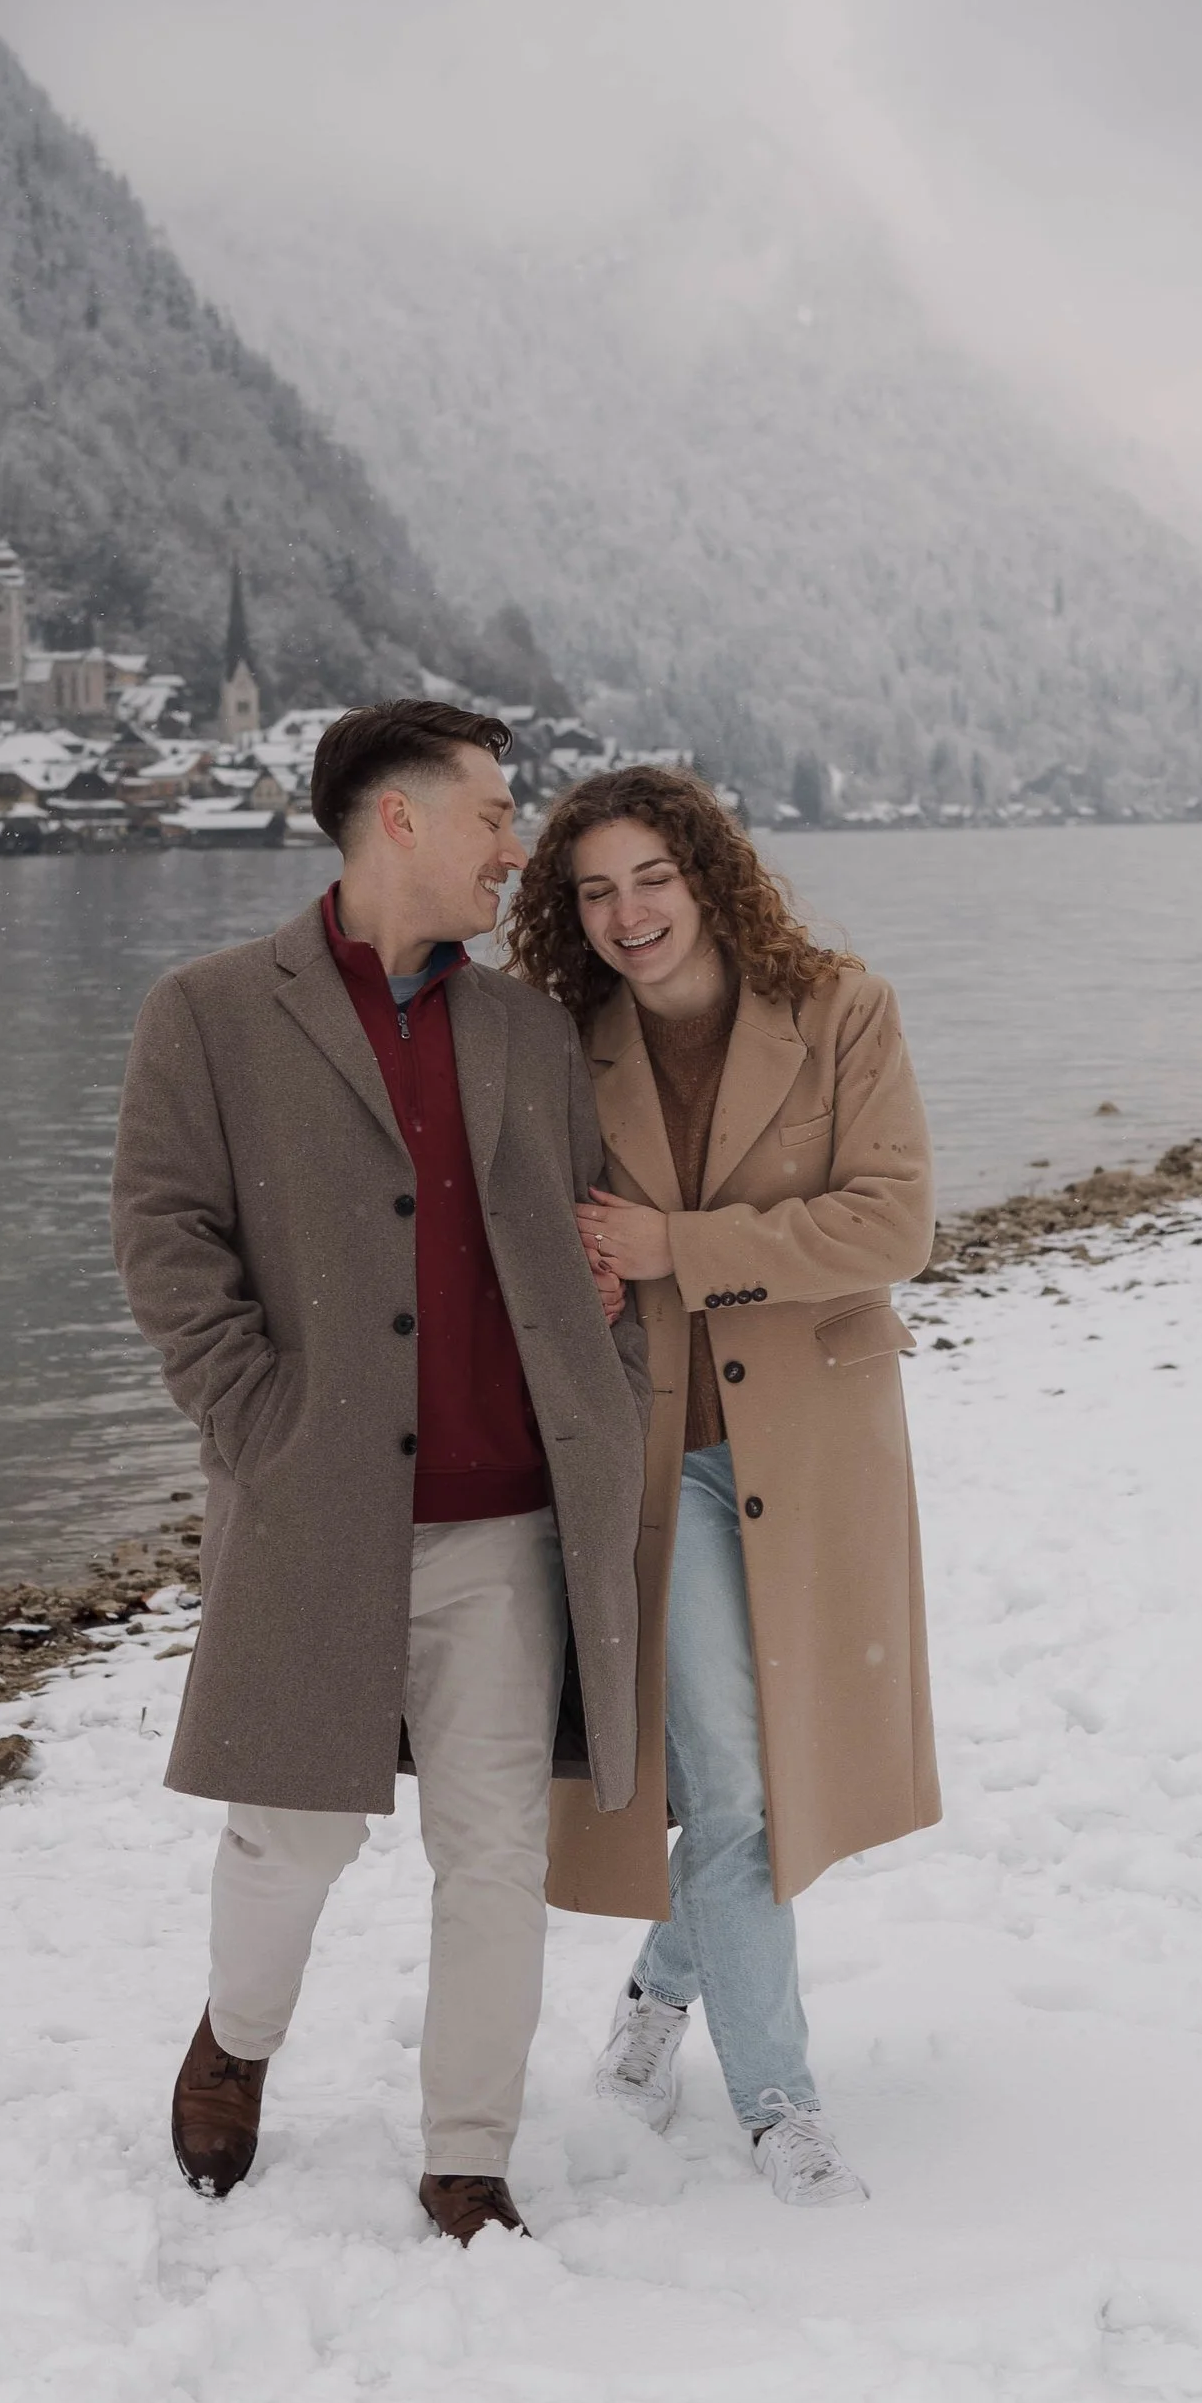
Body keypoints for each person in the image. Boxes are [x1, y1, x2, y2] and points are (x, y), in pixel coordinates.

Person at [110, 701, 651, 2243]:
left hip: (507, 1526)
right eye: (493, 814)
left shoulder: (527, 1031)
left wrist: (606, 1385)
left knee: (494, 1853)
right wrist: (257, 1420)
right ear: (399, 819)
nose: (515, 846)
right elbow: (163, 1237)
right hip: (315, 1510)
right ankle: (236, 2041)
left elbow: (585, 1236)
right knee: (290, 1836)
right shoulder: (210, 1012)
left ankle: (467, 2155)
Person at [505, 765, 939, 2205]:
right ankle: (779, 2103)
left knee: (793, 1773)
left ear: (708, 876)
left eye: (654, 878)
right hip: (656, 1458)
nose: (628, 914)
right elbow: (533, 1237)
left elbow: (892, 1223)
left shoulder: (842, 1010)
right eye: (595, 891)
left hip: (813, 1452)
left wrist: (677, 1247)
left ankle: (662, 1983)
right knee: (739, 1788)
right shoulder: (564, 1047)